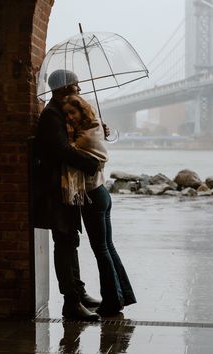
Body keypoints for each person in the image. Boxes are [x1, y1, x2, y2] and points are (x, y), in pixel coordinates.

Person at [33, 69, 102, 321]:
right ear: (63, 89)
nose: (79, 90)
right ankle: (71, 303)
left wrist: (95, 129)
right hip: (54, 190)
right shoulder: (52, 115)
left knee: (70, 240)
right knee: (64, 241)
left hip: (63, 188)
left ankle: (78, 293)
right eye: (75, 86)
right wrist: (91, 163)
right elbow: (61, 149)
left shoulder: (60, 112)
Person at [61, 95, 137, 316]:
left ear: (82, 111)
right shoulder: (94, 127)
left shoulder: (84, 136)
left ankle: (112, 302)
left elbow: (69, 151)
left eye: (72, 113)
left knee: (101, 249)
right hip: (101, 193)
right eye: (66, 114)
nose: (69, 117)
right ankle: (121, 295)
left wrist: (66, 132)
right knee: (108, 247)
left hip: (93, 196)